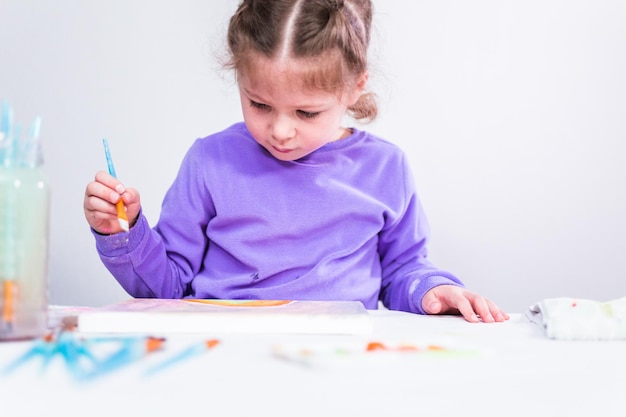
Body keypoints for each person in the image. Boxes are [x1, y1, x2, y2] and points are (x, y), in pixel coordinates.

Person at [83, 0, 509, 323]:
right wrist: (123, 233)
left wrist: (433, 291)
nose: (280, 131)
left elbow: (403, 271)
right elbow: (167, 288)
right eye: (259, 104)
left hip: (339, 362)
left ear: (355, 87)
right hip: (222, 356)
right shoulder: (210, 162)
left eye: (306, 113)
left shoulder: (385, 169)